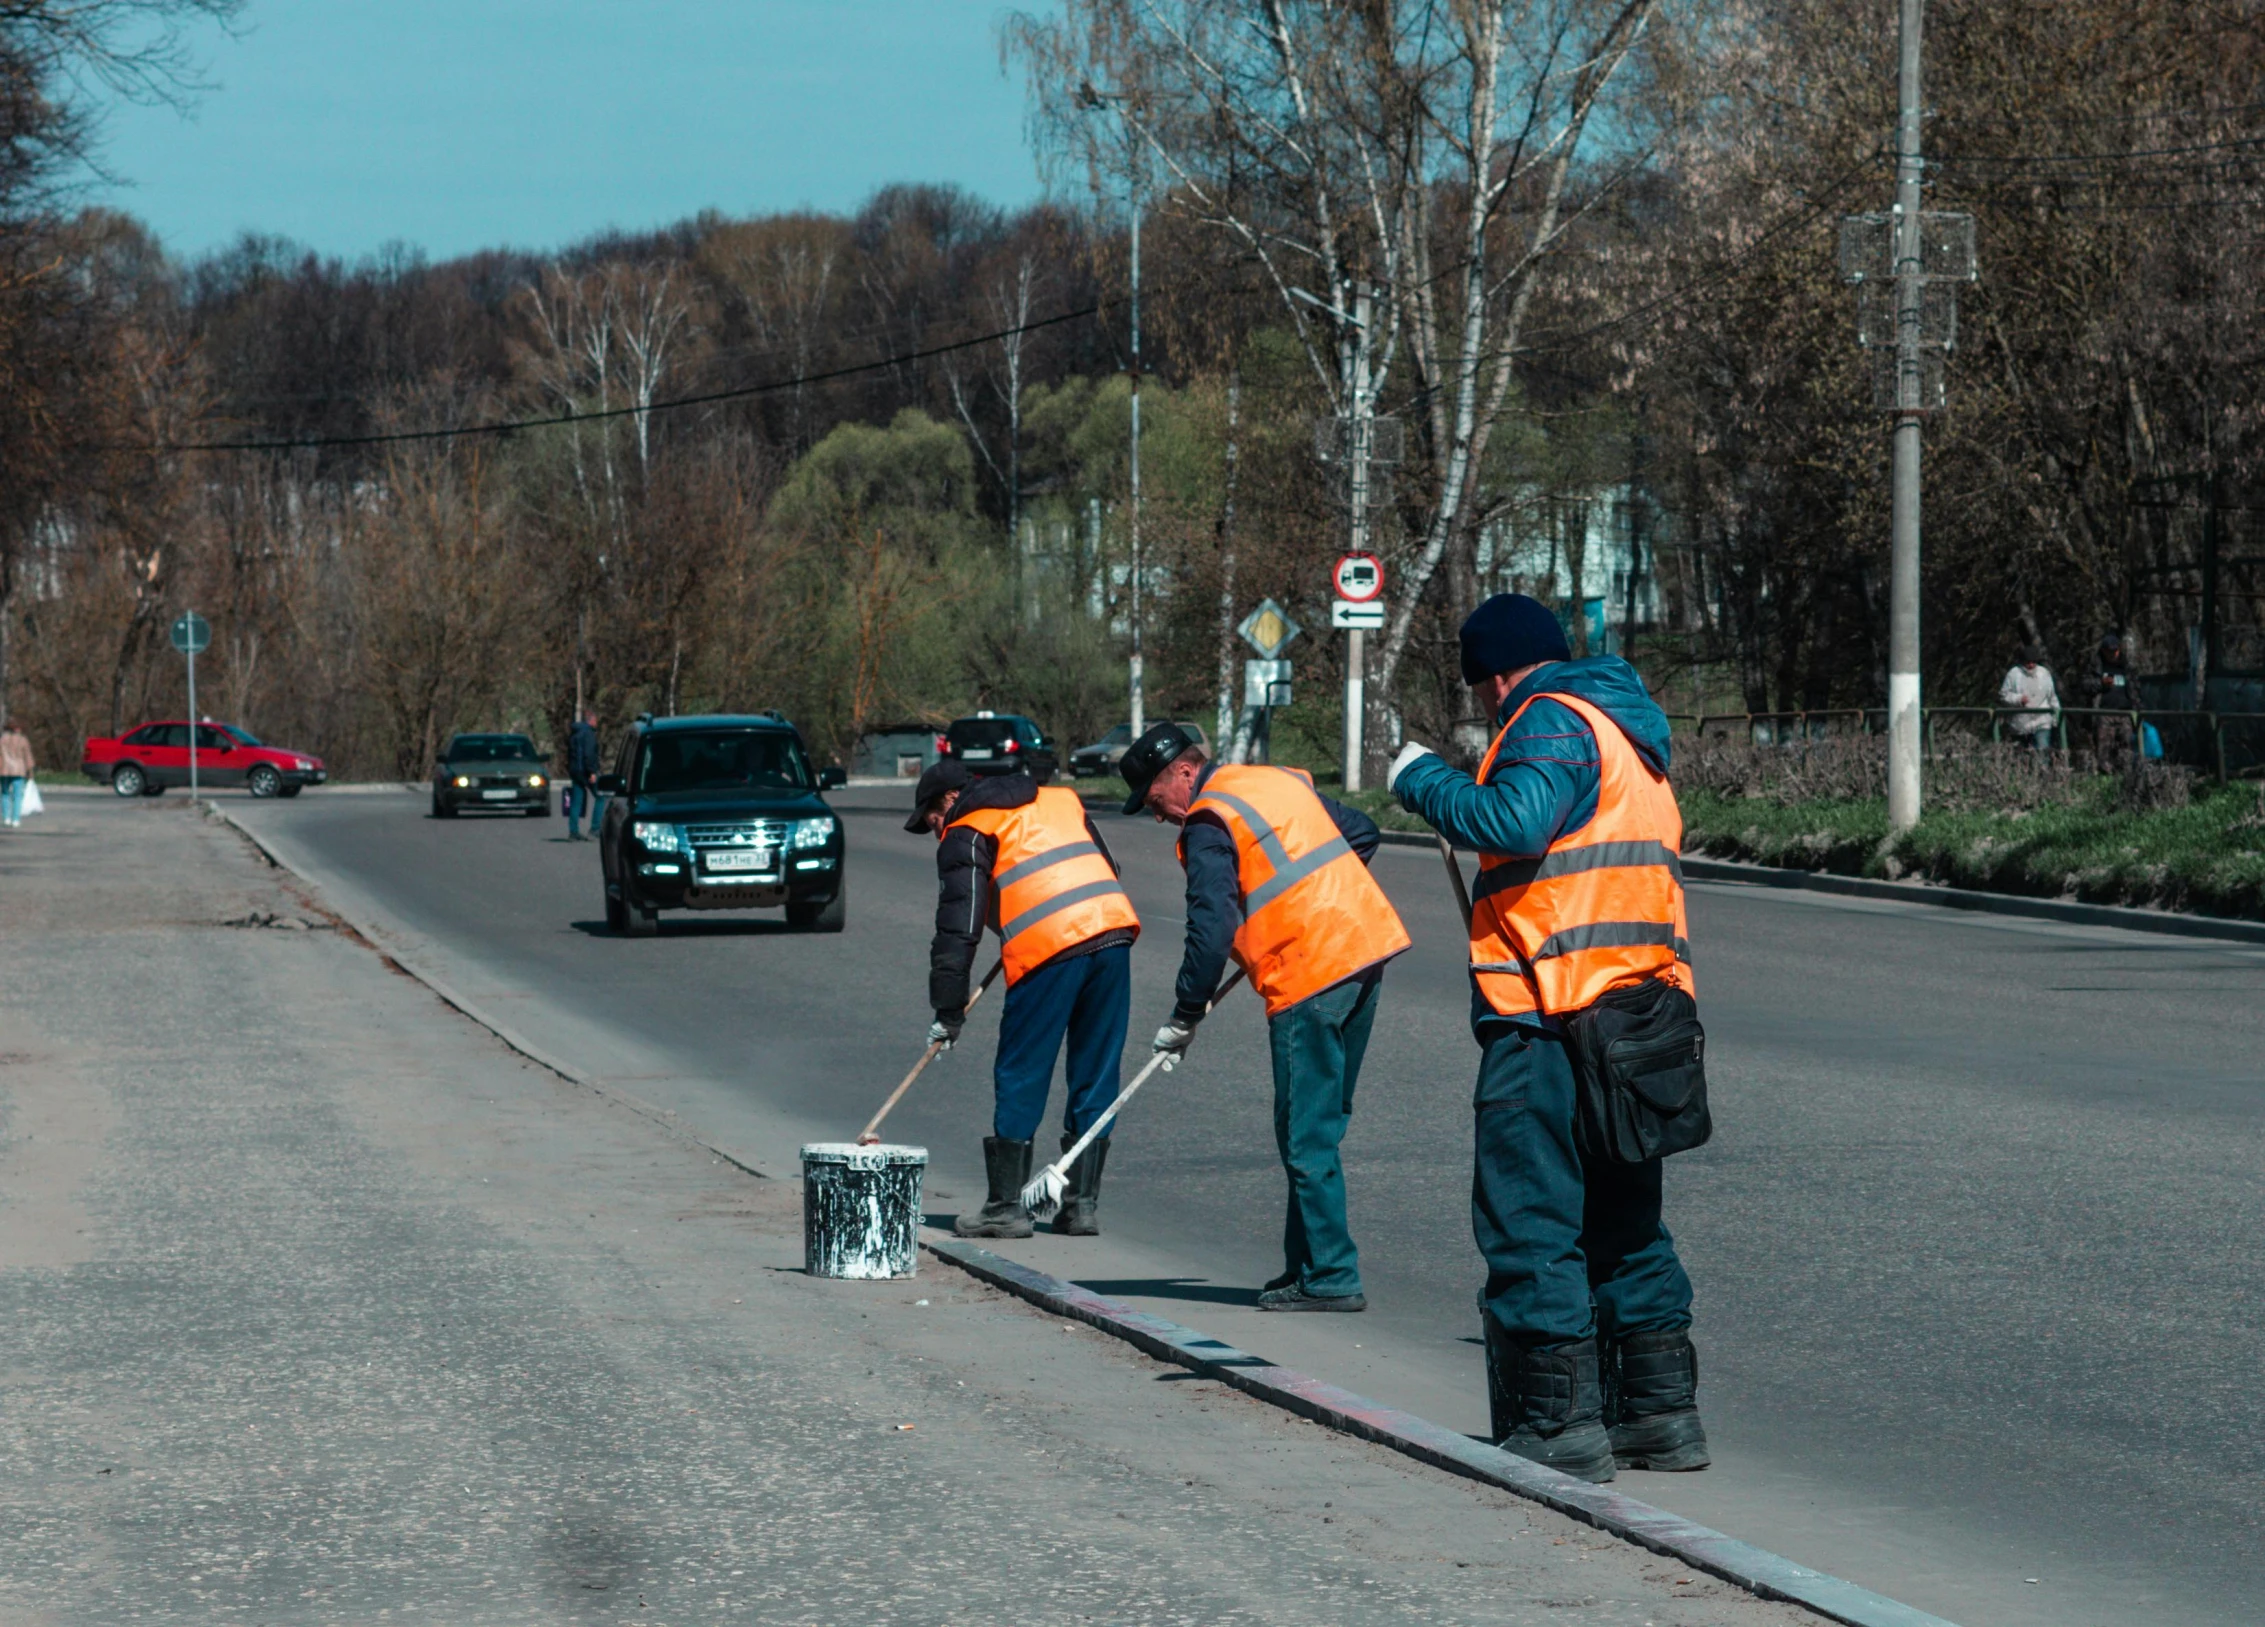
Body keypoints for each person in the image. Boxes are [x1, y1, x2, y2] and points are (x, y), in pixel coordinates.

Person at [1389, 592, 1706, 1485]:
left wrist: (1421, 779)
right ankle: (1658, 1415)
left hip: (1549, 1017)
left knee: (1530, 1217)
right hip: (1638, 1015)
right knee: (1624, 1216)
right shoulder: (1628, 733)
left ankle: (1555, 1420)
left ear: (1495, 673)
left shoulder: (1546, 720)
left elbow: (1515, 822)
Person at [1119, 722, 1410, 1312]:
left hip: (1310, 971)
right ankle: (1305, 1267)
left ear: (1182, 771)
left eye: (1155, 802)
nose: (1160, 817)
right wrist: (1322, 898)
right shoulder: (1272, 781)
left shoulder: (1206, 822)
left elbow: (1209, 932)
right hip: (1364, 953)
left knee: (1306, 1133)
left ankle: (1330, 1276)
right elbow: (1362, 832)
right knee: (1321, 1123)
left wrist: (1184, 1013)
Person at [910, 757, 1140, 1239]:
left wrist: (947, 1010)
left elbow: (957, 928)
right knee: (1096, 1068)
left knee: (1022, 1068)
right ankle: (1081, 1207)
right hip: (1113, 933)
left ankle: (1005, 1207)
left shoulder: (968, 827)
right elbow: (1104, 866)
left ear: (948, 801)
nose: (937, 832)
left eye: (932, 821)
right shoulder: (1061, 799)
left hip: (1049, 949)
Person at [1998, 647, 2061, 753]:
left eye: (2033, 662)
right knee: (2020, 757)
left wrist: (2056, 717)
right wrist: (2018, 699)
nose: (2031, 665)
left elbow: (2052, 697)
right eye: (2028, 662)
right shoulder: (2013, 674)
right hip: (2020, 724)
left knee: (2042, 753)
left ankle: (2042, 769)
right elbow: (2003, 695)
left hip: (2042, 721)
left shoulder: (2044, 673)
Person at [2089, 633, 2134, 771]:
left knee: (2126, 746)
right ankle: (2105, 774)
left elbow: (2135, 690)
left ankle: (2126, 773)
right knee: (2104, 748)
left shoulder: (2127, 667)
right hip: (2104, 713)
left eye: (2115, 651)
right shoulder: (2096, 667)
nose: (2112, 654)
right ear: (2103, 651)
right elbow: (2085, 685)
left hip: (2124, 713)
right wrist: (2100, 683)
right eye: (2109, 651)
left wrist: (2137, 708)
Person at [566, 708, 605, 839]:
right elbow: (589, 754)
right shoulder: (588, 734)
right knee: (600, 797)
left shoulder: (574, 733)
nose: (597, 723)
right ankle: (595, 828)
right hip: (586, 772)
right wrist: (592, 772)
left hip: (575, 771)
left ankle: (573, 831)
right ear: (591, 721)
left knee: (576, 801)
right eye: (596, 721)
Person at [0, 717, 31, 828]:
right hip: (19, 769)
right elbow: (27, 756)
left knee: (4, 793)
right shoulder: (23, 740)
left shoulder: (2, 739)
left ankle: (6, 817)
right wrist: (30, 770)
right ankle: (16, 819)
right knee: (17, 795)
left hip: (4, 769)